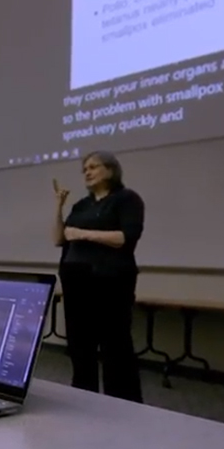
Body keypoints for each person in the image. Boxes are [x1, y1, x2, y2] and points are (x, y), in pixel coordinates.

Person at [53, 150, 145, 403]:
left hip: (110, 280)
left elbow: (124, 238)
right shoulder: (81, 205)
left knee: (115, 345)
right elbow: (59, 239)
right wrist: (58, 209)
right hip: (76, 279)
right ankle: (84, 400)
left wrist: (82, 233)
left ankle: (122, 403)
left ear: (111, 170)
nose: (88, 172)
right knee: (80, 346)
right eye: (85, 169)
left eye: (93, 167)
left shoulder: (126, 199)